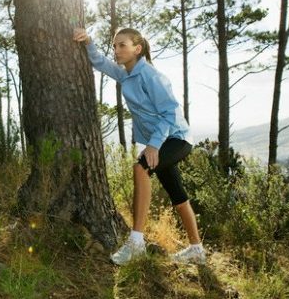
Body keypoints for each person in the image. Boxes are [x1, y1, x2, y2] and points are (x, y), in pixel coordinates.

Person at [73, 27, 205, 265]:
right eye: (114, 46)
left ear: (138, 48)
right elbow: (100, 62)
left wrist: (153, 146)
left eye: (122, 45)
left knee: (140, 168)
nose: (116, 50)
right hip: (163, 141)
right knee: (178, 195)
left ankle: (136, 243)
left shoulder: (150, 75)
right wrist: (89, 41)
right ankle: (197, 250)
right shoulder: (126, 74)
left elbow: (168, 113)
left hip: (177, 138)